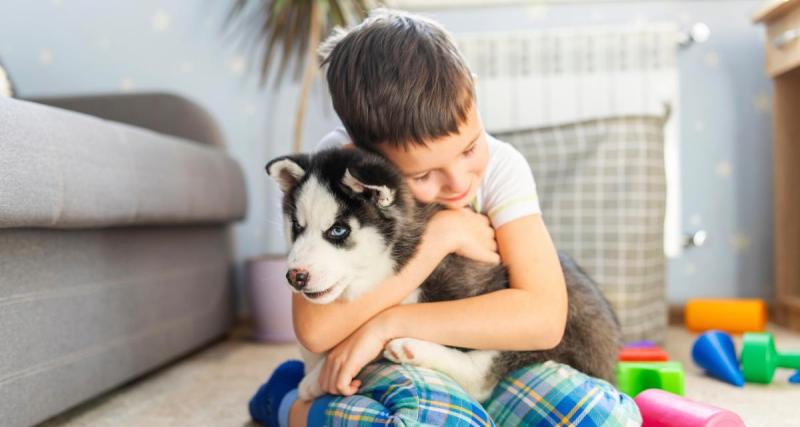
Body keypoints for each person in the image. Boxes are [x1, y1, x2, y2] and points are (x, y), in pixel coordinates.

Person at [250, 8, 641, 427]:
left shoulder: (503, 168)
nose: (458, 182)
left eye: (470, 148)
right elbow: (316, 331)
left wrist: (389, 323)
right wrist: (441, 236)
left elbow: (544, 319)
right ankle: (291, 402)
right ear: (366, 158)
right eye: (422, 174)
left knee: (605, 419)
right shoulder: (340, 173)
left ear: (473, 92)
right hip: (397, 368)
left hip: (491, 363)